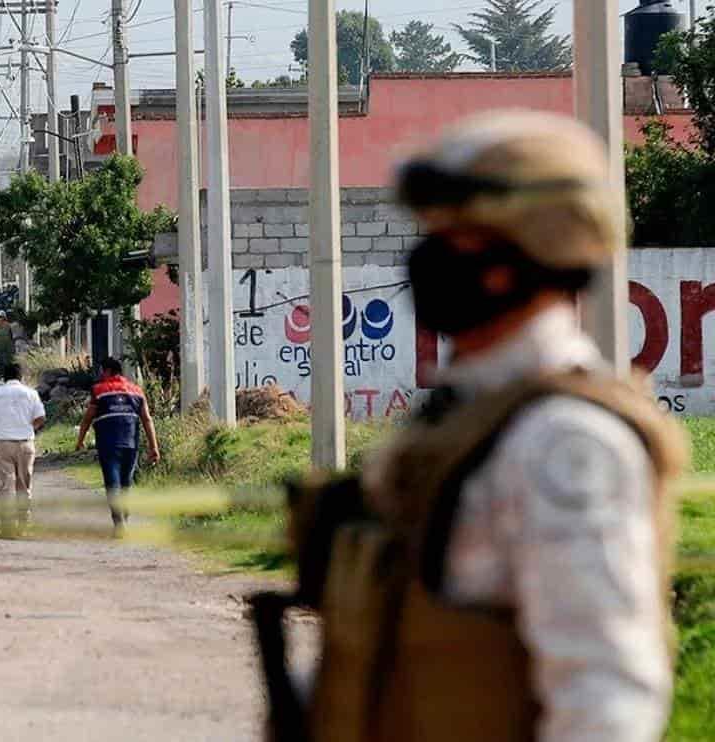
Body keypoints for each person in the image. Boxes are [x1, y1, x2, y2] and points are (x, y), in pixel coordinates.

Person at [249, 110, 688, 742]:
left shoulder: (566, 443)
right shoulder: (462, 420)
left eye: (458, 236)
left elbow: (605, 695)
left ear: (534, 249)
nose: (428, 256)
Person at [74, 357, 160, 534]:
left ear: (107, 371)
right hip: (131, 443)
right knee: (126, 482)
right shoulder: (137, 391)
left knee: (113, 483)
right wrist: (154, 447)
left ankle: (119, 522)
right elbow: (147, 419)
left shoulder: (99, 390)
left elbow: (87, 418)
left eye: (101, 372)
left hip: (108, 445)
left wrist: (80, 440)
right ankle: (124, 517)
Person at [0, 362, 46, 537]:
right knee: (24, 485)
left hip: (4, 444)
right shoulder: (31, 393)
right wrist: (30, 428)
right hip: (25, 444)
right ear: (20, 377)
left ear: (4, 377)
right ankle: (23, 524)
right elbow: (40, 418)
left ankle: (7, 526)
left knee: (5, 486)